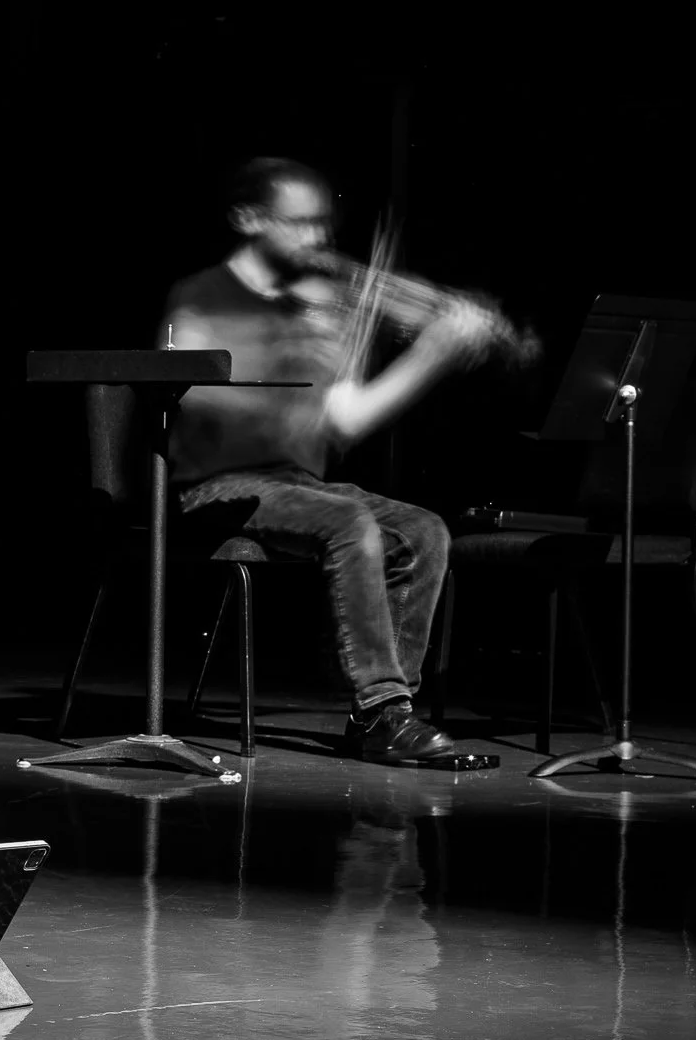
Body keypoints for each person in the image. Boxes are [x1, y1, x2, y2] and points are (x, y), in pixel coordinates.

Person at [160, 157, 493, 765]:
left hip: (293, 483)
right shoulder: (202, 295)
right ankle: (381, 709)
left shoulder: (313, 307)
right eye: (299, 223)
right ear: (248, 218)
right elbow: (196, 393)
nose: (316, 241)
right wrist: (293, 351)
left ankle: (387, 715)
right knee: (350, 523)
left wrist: (433, 353)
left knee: (423, 529)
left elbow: (345, 421)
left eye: (321, 226)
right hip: (213, 486)